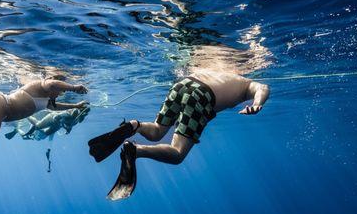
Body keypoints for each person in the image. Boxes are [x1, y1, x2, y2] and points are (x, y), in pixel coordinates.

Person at [88, 71, 270, 200]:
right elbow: (263, 88)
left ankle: (135, 126)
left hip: (182, 84)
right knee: (177, 153)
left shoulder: (220, 70)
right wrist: (257, 104)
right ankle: (136, 150)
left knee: (158, 130)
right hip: (201, 95)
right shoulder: (247, 83)